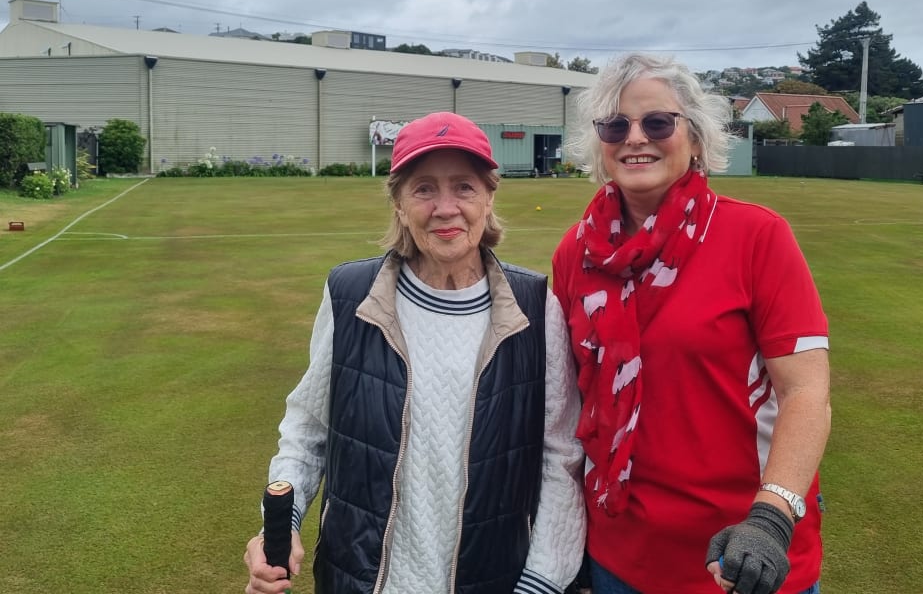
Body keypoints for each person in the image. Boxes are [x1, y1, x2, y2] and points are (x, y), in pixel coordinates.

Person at [244, 111, 586, 594]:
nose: (445, 207)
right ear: (399, 203)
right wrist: (281, 524)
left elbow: (561, 457)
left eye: (463, 187)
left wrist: (540, 583)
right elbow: (308, 431)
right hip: (363, 581)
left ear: (489, 197)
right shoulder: (351, 295)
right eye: (423, 188)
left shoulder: (535, 305)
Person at [552, 53, 831, 594]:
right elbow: (567, 407)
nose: (635, 138)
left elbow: (806, 391)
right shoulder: (577, 254)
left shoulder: (756, 237)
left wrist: (773, 517)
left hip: (741, 558)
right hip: (618, 557)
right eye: (616, 125)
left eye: (657, 122)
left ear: (696, 138)